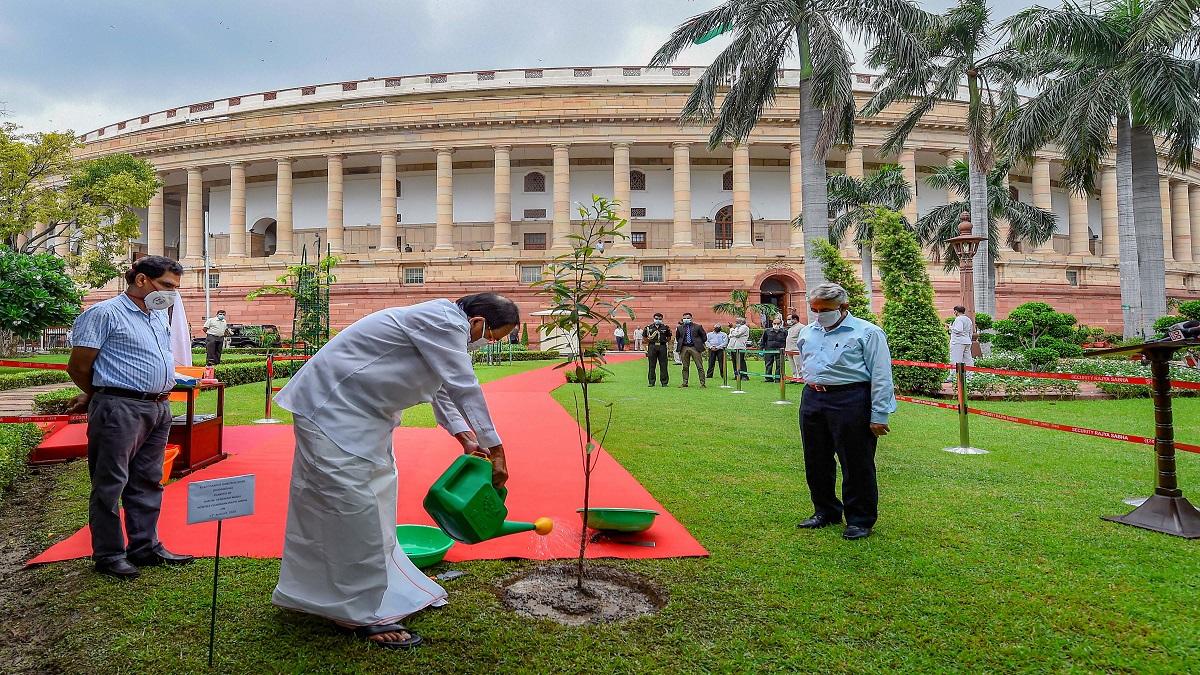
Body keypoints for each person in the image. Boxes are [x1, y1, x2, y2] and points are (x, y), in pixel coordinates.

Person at [271, 292, 518, 649]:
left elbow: (443, 387)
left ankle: (370, 587)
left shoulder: (443, 328)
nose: (488, 344)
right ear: (478, 322)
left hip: (366, 418)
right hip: (329, 408)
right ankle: (356, 609)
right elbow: (463, 384)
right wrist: (496, 449)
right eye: (493, 336)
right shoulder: (445, 320)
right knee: (349, 505)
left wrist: (465, 436)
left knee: (376, 499)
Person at [65, 255, 195, 579]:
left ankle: (145, 547)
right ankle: (109, 555)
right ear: (141, 280)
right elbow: (79, 366)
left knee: (148, 480)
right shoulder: (104, 313)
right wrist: (99, 396)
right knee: (110, 483)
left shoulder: (158, 315)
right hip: (120, 408)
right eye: (166, 285)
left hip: (159, 408)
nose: (172, 294)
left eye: (176, 288)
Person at [795, 283, 896, 541]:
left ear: (844, 307)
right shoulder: (808, 332)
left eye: (825, 309)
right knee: (816, 459)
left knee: (856, 462)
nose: (819, 314)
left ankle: (860, 519)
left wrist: (879, 415)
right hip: (813, 397)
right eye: (815, 309)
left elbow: (881, 376)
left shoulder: (868, 333)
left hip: (851, 399)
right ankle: (825, 510)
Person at [674, 312, 706, 388]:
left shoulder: (698, 326)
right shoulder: (680, 328)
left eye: (688, 318)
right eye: (684, 318)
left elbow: (704, 337)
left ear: (691, 318)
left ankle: (702, 383)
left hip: (694, 347)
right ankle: (685, 382)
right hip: (684, 347)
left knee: (699, 366)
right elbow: (678, 338)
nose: (686, 319)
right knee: (685, 366)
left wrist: (698, 343)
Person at [643, 313, 672, 387]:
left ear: (662, 319)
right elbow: (645, 337)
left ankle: (664, 382)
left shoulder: (665, 328)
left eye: (659, 319)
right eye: (656, 318)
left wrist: (664, 342)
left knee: (663, 365)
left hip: (662, 346)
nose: (658, 320)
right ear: (653, 318)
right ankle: (651, 382)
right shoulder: (649, 327)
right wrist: (649, 343)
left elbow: (669, 337)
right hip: (652, 346)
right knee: (652, 365)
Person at [949, 305, 975, 372]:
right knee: (968, 360)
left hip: (958, 342)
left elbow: (958, 330)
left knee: (955, 359)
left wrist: (950, 327)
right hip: (967, 341)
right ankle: (970, 376)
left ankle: (953, 376)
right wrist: (969, 339)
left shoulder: (958, 319)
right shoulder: (968, 319)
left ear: (956, 311)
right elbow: (970, 332)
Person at [761, 317, 788, 383]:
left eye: (778, 323)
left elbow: (787, 341)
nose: (776, 325)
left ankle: (778, 378)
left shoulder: (784, 332)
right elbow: (763, 340)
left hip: (780, 350)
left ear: (780, 324)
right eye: (775, 323)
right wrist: (761, 349)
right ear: (772, 324)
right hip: (769, 349)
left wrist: (786, 349)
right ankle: (768, 378)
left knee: (779, 364)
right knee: (768, 364)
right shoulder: (767, 331)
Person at [727, 317, 750, 382]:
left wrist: (731, 329)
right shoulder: (737, 328)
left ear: (742, 322)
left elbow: (737, 334)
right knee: (734, 361)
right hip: (733, 347)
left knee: (741, 361)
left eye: (737, 322)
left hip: (739, 346)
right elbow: (730, 335)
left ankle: (744, 376)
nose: (736, 323)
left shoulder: (744, 327)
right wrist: (733, 332)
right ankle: (737, 375)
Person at [785, 313, 803, 384]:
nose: (788, 321)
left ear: (795, 319)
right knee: (792, 365)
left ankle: (800, 378)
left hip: (796, 350)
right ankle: (794, 377)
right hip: (789, 349)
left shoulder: (801, 327)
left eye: (790, 319)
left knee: (798, 365)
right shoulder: (790, 328)